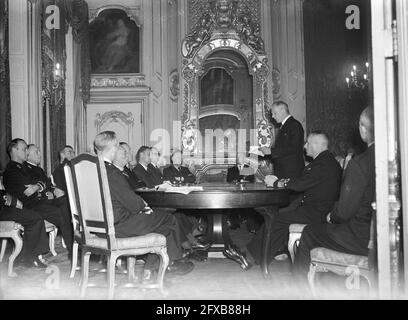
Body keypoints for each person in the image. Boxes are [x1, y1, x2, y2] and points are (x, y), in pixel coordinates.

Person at [224, 131, 342, 270]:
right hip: (315, 208)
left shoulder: (322, 164)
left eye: (308, 143)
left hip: (316, 212)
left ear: (316, 145)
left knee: (276, 218)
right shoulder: (325, 161)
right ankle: (259, 255)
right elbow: (303, 182)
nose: (305, 146)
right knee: (277, 214)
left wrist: (277, 183)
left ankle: (250, 257)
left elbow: (299, 185)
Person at [94, 131, 194, 276]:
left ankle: (150, 267)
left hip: (99, 226)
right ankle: (171, 264)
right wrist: (145, 207)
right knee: (168, 218)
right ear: (114, 147)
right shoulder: (111, 172)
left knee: (160, 225)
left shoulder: (94, 168)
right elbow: (134, 204)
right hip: (119, 225)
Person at [294, 107, 375, 276]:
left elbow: (344, 213)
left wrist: (331, 216)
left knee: (309, 232)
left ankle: (298, 290)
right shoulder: (393, 158)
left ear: (363, 129)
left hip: (360, 237)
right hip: (380, 235)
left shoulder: (359, 164)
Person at [3, 139, 73, 256]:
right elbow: (29, 191)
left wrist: (38, 186)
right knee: (61, 214)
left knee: (67, 204)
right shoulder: (12, 170)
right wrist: (39, 186)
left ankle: (76, 245)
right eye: (24, 149)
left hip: (40, 202)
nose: (26, 152)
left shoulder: (24, 167)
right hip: (30, 206)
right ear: (14, 150)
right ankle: (73, 251)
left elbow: (40, 183)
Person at [0, 189, 49, 268]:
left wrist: (10, 199)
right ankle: (29, 257)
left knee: (34, 215)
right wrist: (12, 201)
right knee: (35, 219)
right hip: (3, 209)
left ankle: (24, 256)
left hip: (5, 207)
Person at [260, 101, 305, 180]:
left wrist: (271, 151)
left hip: (291, 172)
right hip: (284, 171)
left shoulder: (294, 125)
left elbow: (294, 148)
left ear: (283, 110)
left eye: (274, 113)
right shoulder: (285, 126)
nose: (273, 116)